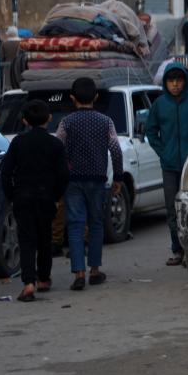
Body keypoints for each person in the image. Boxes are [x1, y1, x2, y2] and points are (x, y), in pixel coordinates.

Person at [56, 77, 123, 291]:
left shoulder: (66, 122)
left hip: (73, 181)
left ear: (72, 98)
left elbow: (58, 149)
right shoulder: (106, 122)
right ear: (95, 97)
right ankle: (95, 270)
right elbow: (115, 150)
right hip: (97, 180)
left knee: (75, 225)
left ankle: (79, 273)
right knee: (96, 224)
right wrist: (118, 177)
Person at [0, 100, 69, 302]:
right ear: (49, 119)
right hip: (46, 196)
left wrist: (11, 195)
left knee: (27, 240)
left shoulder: (18, 143)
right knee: (44, 238)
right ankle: (44, 278)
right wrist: (56, 196)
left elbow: (5, 173)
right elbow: (63, 174)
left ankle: (28, 282)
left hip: (23, 196)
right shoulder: (55, 144)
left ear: (24, 121)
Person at [146, 63, 188, 266]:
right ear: (166, 82)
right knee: (173, 210)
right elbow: (151, 132)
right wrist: (164, 153)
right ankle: (177, 250)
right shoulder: (159, 104)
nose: (175, 84)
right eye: (171, 81)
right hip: (169, 166)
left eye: (179, 80)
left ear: (185, 81)